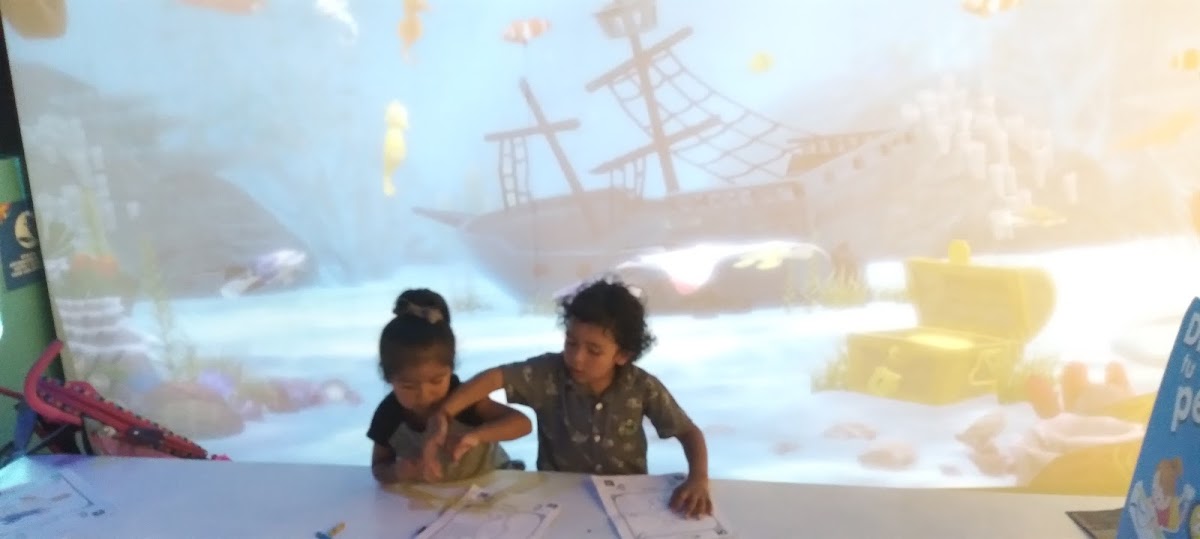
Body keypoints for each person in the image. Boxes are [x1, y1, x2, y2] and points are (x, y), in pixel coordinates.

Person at [423, 278, 714, 517]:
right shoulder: (548, 373)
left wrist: (698, 478)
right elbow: (494, 377)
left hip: (626, 505)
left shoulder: (642, 387)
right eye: (571, 342)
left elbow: (689, 432)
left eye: (594, 350)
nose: (576, 357)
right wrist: (444, 413)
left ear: (623, 355)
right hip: (557, 499)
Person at [366, 288, 531, 484]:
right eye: (408, 386)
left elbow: (523, 424)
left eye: (436, 381)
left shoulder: (464, 398)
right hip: (431, 497)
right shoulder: (388, 414)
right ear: (388, 378)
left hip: (491, 484)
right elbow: (379, 466)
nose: (424, 394)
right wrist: (397, 472)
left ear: (450, 370)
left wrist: (475, 436)